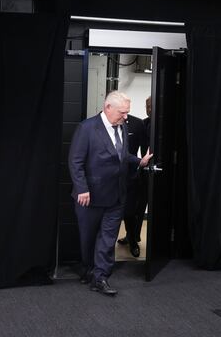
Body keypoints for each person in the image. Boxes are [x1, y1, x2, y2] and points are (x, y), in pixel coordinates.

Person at [68, 91, 152, 296]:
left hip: (116, 196)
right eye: (123, 112)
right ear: (108, 108)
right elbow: (75, 161)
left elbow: (121, 155)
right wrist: (82, 188)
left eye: (127, 113)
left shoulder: (122, 126)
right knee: (88, 238)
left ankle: (101, 277)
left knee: (108, 238)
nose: (126, 117)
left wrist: (139, 161)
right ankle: (88, 269)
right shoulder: (86, 128)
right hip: (90, 196)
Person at [118, 96, 152, 257]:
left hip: (131, 175)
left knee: (130, 211)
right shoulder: (101, 123)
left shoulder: (138, 124)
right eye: (147, 106)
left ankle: (133, 241)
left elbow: (146, 150)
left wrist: (143, 165)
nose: (148, 109)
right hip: (109, 177)